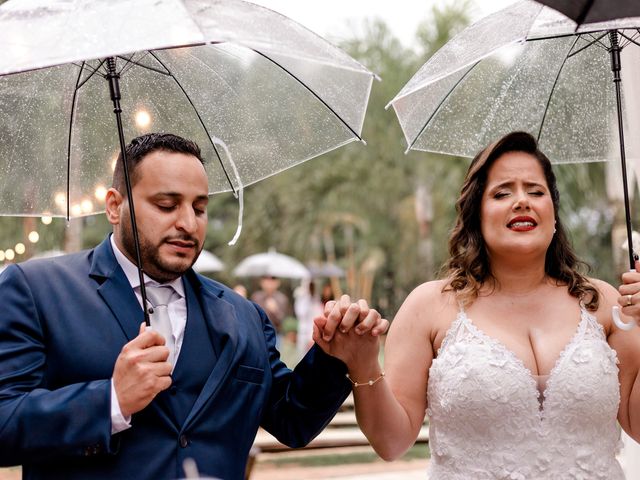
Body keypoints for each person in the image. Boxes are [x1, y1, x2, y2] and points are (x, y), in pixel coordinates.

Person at [0, 133, 388, 480]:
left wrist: (334, 357)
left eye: (199, 208)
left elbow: (293, 422)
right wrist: (111, 400)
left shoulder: (243, 316)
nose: (188, 223)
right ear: (115, 206)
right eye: (167, 205)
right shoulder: (36, 291)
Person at [314, 131, 640, 479]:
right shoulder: (429, 307)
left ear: (554, 213)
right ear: (476, 217)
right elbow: (391, 442)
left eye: (536, 191)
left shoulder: (607, 303)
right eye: (502, 193)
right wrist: (363, 364)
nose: (522, 201)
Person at [251, 275, 290, 340]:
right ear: (261, 282)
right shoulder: (256, 297)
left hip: (275, 335)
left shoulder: (282, 299)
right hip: (258, 334)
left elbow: (282, 321)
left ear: (277, 283)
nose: (269, 283)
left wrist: (275, 310)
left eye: (272, 280)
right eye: (266, 279)